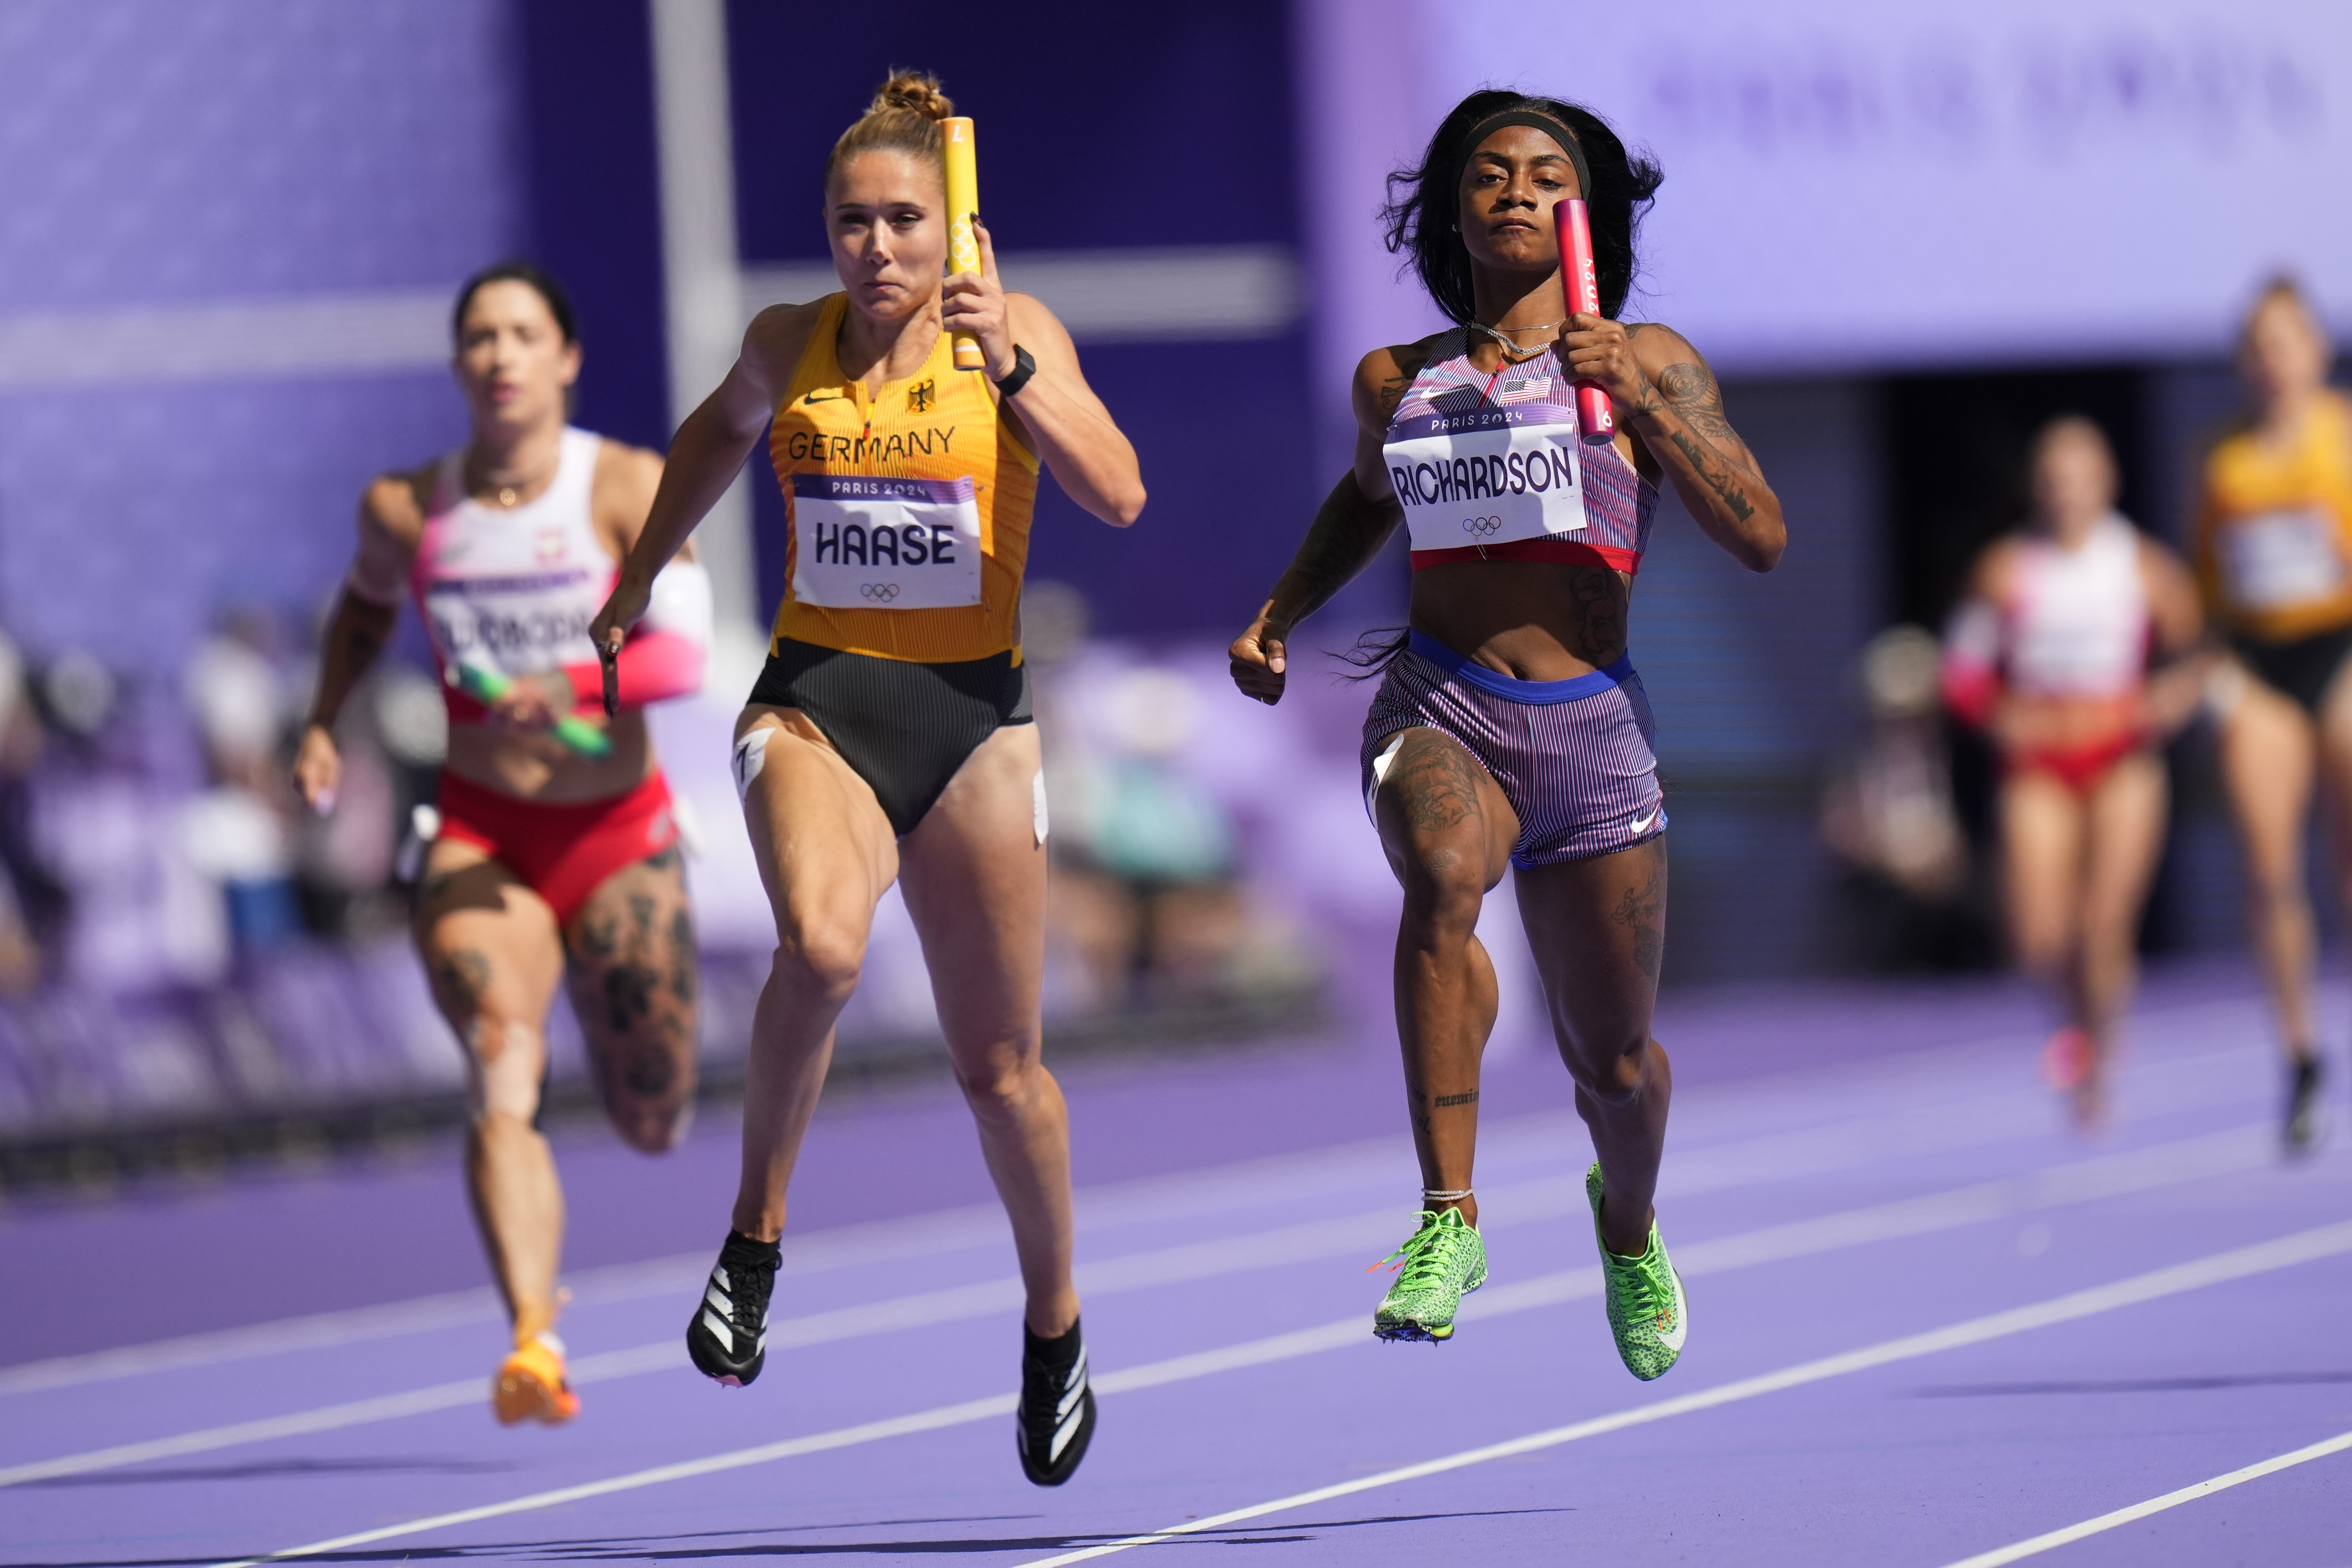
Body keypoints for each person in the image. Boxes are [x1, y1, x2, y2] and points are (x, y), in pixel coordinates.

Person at [588, 73, 1143, 1485]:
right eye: (853, 221)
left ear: (951, 224)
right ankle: (754, 1244)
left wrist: (1011, 370)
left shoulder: (1009, 333)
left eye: (904, 219)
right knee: (822, 947)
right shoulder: (793, 341)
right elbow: (712, 438)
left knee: (1000, 1068)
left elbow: (1120, 489)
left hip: (973, 718)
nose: (878, 246)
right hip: (818, 699)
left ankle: (1054, 1320)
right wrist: (641, 574)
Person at [1228, 91, 1784, 1378]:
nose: (1518, 192)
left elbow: (1761, 536)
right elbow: (1365, 504)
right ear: (1453, 208)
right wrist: (1279, 611)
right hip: (1443, 700)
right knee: (1443, 881)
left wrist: (1641, 407)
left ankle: (1628, 1224)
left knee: (1617, 1065)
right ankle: (1448, 1221)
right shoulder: (1400, 381)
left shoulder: (1648, 357)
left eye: (1546, 175)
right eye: (1490, 174)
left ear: (1582, 210)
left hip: (1590, 725)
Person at [295, 262, 713, 1424]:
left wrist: (569, 675)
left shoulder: (627, 484)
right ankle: (534, 1338)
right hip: (485, 835)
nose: (500, 356)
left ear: (565, 359)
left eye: (523, 334)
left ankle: (636, 1096)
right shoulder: (408, 507)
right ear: (457, 366)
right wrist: (324, 721)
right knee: (498, 1062)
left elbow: (686, 658)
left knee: (651, 1113)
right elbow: (369, 605)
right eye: (479, 337)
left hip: (618, 836)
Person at [1941, 417, 2207, 1127]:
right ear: (2038, 487)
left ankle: (2098, 1057)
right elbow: (1962, 672)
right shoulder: (2005, 569)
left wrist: (2166, 700)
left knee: (2103, 921)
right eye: (2053, 477)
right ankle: (2078, 1017)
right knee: (2038, 934)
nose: (2066, 491)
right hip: (2040, 762)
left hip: (2121, 757)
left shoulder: (2143, 565)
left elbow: (2198, 655)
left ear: (2106, 482)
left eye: (2079, 475)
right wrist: (2002, 715)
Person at [2193, 277, 2352, 1153]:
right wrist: (2212, 666)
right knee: (2267, 864)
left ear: (2316, 349)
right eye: (2258, 348)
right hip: (2260, 662)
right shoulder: (2224, 462)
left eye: (2286, 343)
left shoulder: (2345, 438)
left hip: (2341, 645)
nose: (2273, 363)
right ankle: (2300, 1057)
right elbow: (2210, 585)